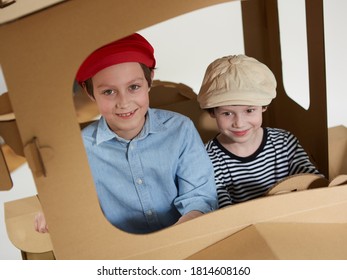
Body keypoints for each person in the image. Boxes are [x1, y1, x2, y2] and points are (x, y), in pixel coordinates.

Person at [35, 33, 217, 234]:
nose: (123, 102)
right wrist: (52, 210)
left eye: (133, 87)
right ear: (90, 93)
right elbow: (65, 197)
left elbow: (199, 198)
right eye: (109, 92)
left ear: (149, 82)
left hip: (184, 236)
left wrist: (172, 241)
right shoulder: (79, 149)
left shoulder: (180, 129)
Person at [197, 54, 321, 209]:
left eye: (249, 110)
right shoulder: (207, 158)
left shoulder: (284, 142)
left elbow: (311, 179)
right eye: (227, 113)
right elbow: (222, 208)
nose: (239, 123)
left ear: (264, 106)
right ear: (212, 113)